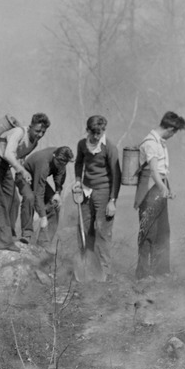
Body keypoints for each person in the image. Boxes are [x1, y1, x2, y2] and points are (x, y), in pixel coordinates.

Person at [0, 112, 50, 251]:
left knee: (14, 200)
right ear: (30, 126)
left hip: (5, 166)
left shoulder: (34, 143)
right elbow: (8, 153)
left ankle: (9, 235)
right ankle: (0, 240)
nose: (40, 134)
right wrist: (22, 171)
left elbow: (16, 157)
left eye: (43, 132)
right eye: (37, 131)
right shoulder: (19, 132)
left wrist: (19, 168)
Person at [134, 111, 185, 280]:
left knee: (163, 231)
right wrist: (163, 187)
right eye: (174, 132)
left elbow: (162, 173)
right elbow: (154, 172)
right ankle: (142, 274)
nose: (173, 136)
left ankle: (161, 271)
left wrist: (167, 188)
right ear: (170, 129)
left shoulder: (160, 143)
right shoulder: (151, 143)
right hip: (150, 189)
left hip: (160, 185)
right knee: (148, 231)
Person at [73, 115, 122, 282]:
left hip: (104, 191)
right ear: (88, 131)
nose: (96, 136)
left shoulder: (109, 147)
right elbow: (78, 163)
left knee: (103, 231)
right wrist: (78, 182)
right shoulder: (82, 145)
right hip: (86, 191)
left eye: (99, 133)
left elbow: (117, 175)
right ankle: (86, 267)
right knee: (84, 228)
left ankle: (104, 272)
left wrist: (112, 200)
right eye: (93, 133)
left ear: (103, 131)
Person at [19, 145, 74, 248]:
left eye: (64, 164)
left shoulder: (61, 160)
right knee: (29, 197)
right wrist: (43, 217)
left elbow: (59, 177)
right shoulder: (43, 163)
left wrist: (58, 193)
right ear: (54, 156)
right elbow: (38, 193)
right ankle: (27, 235)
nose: (61, 166)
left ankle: (43, 243)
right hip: (24, 176)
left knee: (54, 205)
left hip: (39, 179)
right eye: (59, 163)